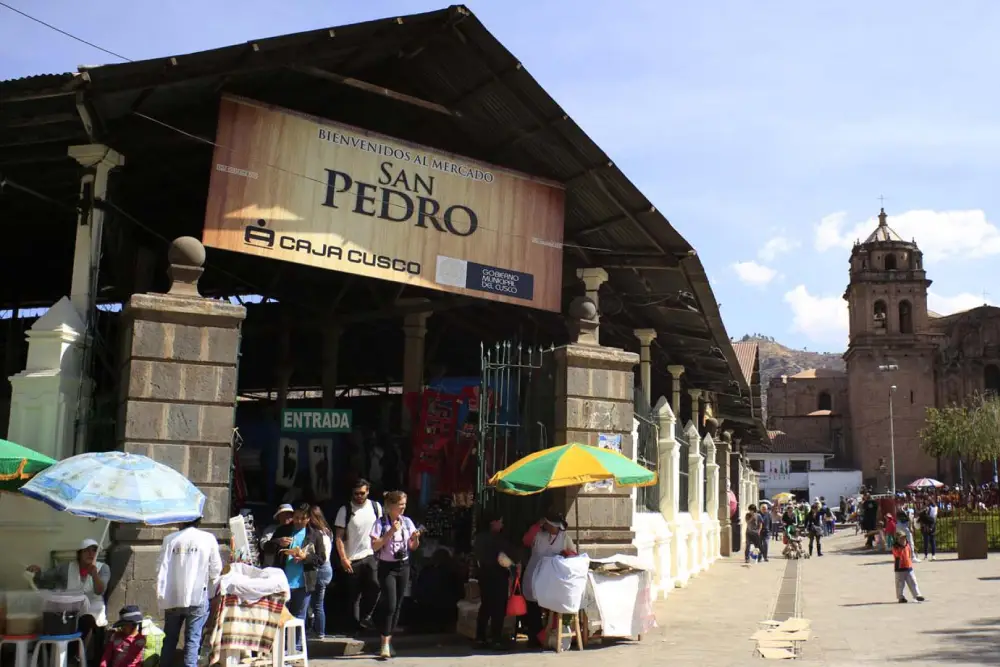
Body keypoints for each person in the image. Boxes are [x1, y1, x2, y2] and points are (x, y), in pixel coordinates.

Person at [156, 518, 223, 667]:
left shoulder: (169, 539)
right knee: (193, 640)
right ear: (199, 521)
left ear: (181, 522)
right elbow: (216, 570)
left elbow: (159, 567)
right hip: (197, 595)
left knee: (169, 640)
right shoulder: (207, 538)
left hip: (173, 596)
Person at [29, 537, 110, 660]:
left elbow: (100, 591)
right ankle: (55, 655)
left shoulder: (103, 568)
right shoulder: (66, 567)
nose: (90, 553)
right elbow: (45, 578)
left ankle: (75, 655)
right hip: (70, 606)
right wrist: (37, 572)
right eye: (86, 551)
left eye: (94, 550)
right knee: (53, 619)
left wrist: (94, 575)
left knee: (88, 620)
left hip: (93, 607)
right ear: (79, 553)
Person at [370, 490, 421, 659]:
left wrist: (415, 538)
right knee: (390, 604)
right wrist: (391, 531)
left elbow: (412, 547)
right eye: (400, 505)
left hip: (403, 565)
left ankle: (389, 639)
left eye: (404, 505)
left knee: (398, 603)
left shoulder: (407, 522)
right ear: (391, 506)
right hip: (387, 567)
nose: (403, 508)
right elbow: (375, 546)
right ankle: (384, 642)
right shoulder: (380, 523)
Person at [334, 478, 383, 634]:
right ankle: (354, 627)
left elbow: (381, 529)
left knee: (375, 586)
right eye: (356, 494)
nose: (359, 496)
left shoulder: (375, 507)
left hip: (371, 554)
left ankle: (366, 617)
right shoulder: (345, 510)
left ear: (367, 491)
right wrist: (343, 558)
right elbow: (339, 536)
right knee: (353, 595)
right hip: (352, 557)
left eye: (362, 493)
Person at [265, 503, 327, 627]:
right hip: (282, 582)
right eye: (296, 517)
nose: (298, 521)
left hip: (303, 583)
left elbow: (321, 559)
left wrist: (306, 557)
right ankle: (280, 645)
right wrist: (277, 542)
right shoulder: (283, 530)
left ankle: (297, 646)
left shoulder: (315, 535)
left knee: (299, 617)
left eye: (303, 518)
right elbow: (267, 548)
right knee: (279, 616)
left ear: (308, 518)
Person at [521, 511, 575, 646]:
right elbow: (526, 541)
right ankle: (535, 636)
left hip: (553, 578)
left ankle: (550, 635)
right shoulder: (538, 535)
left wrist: (566, 555)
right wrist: (536, 526)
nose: (551, 528)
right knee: (533, 607)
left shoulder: (564, 537)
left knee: (553, 606)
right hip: (534, 575)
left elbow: (573, 553)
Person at [473, 511, 516, 649]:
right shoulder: (499, 539)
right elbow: (506, 558)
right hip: (498, 576)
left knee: (485, 606)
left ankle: (480, 637)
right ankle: (496, 638)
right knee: (498, 608)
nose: (502, 524)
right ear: (493, 523)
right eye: (500, 521)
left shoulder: (479, 538)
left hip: (484, 576)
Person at [309, 506, 335, 639]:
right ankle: (317, 629)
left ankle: (319, 631)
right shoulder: (328, 532)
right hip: (327, 567)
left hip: (320, 567)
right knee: (316, 602)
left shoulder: (316, 533)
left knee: (316, 603)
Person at [892, 531, 925, 603]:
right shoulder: (896, 547)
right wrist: (902, 547)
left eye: (904, 538)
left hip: (908, 567)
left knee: (913, 581)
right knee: (900, 584)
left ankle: (917, 595)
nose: (903, 540)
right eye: (901, 539)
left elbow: (909, 554)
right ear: (897, 539)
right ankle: (900, 597)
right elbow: (898, 555)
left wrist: (910, 562)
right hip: (899, 568)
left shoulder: (907, 545)